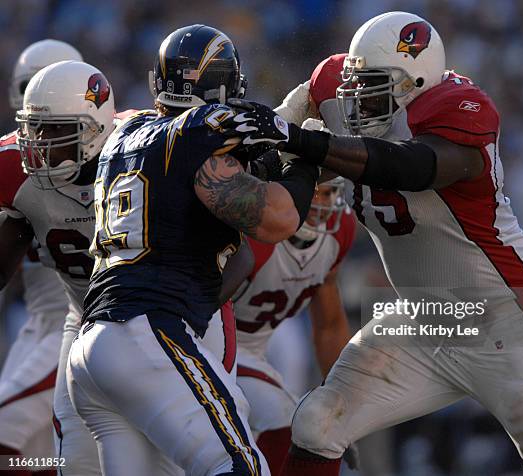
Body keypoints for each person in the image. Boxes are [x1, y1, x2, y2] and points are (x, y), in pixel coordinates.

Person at [221, 12, 523, 476]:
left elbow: (410, 167)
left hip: (513, 319)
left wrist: (308, 145)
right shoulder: (336, 86)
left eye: (374, 85)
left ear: (415, 83)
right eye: (356, 82)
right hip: (427, 318)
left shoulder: (460, 110)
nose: (356, 97)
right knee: (319, 423)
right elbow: (275, 137)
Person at [67, 24, 318, 476]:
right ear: (223, 88)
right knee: (241, 467)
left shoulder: (125, 131)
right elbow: (276, 219)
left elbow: (186, 174)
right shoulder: (198, 132)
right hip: (145, 334)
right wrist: (304, 163)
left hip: (92, 349)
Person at [0, 56, 111, 475]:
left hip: (159, 316)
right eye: (34, 127)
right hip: (78, 318)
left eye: (56, 129)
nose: (39, 142)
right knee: (76, 461)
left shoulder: (137, 148)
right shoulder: (15, 166)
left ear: (94, 126)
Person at [233, 177, 355, 475]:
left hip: (255, 349)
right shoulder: (253, 232)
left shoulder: (339, 232)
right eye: (314, 193)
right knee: (282, 422)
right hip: (211, 343)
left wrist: (342, 409)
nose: (322, 205)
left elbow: (329, 325)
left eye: (329, 194)